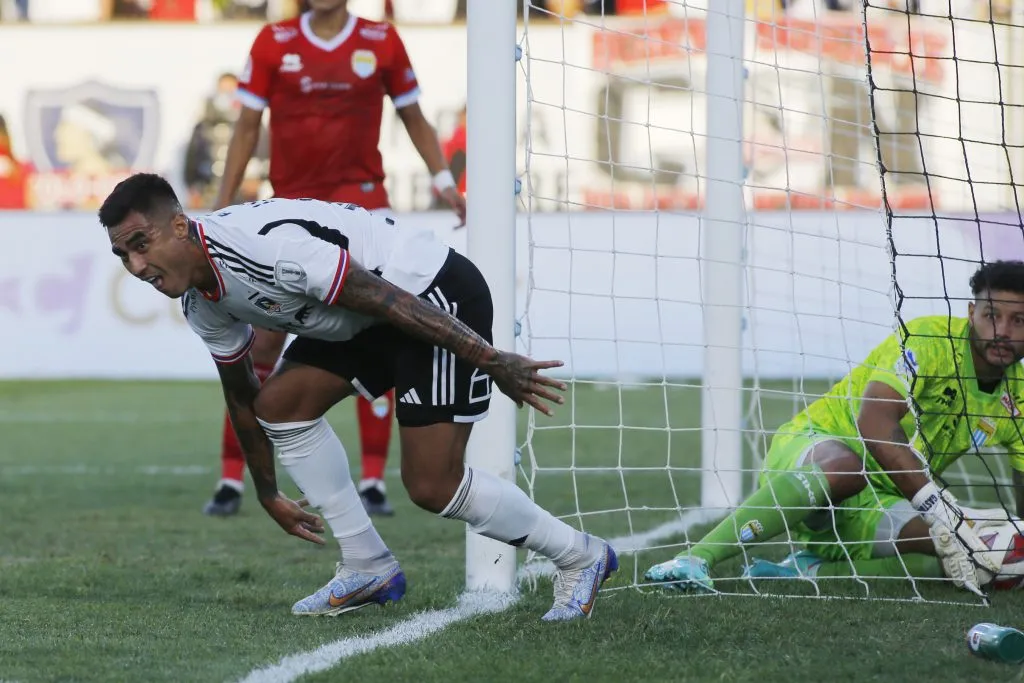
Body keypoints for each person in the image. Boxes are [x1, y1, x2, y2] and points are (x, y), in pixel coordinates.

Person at [98, 173, 617, 621]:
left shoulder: (264, 250)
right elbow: (241, 395)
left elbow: (388, 299)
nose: (137, 266)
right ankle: (367, 565)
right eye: (124, 255)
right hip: (363, 318)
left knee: (432, 486)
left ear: (180, 226)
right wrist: (266, 491)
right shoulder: (200, 304)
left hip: (430, 295)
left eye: (141, 244)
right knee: (278, 406)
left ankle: (580, 556)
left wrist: (491, 359)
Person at [207, 0, 466, 518]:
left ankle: (373, 480)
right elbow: (247, 127)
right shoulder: (274, 42)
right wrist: (222, 205)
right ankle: (231, 479)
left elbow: (413, 116)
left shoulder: (382, 41)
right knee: (261, 342)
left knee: (381, 330)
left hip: (362, 210)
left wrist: (443, 179)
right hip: (290, 214)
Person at [646, 261, 1024, 595]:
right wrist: (935, 506)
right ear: (971, 312)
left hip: (884, 498)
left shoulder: (1019, 396)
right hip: (816, 457)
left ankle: (806, 572)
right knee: (850, 468)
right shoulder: (929, 341)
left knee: (975, 552)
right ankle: (693, 559)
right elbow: (873, 424)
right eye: (992, 315)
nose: (1003, 331)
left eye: (1019, 321)